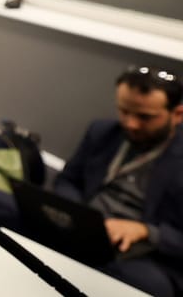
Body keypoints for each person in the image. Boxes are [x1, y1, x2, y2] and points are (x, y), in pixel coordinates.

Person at [51, 66, 183, 296]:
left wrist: (146, 231)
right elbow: (67, 181)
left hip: (140, 252)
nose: (131, 124)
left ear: (178, 114)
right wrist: (76, 213)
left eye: (145, 117)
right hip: (83, 226)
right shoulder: (102, 131)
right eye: (124, 111)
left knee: (148, 285)